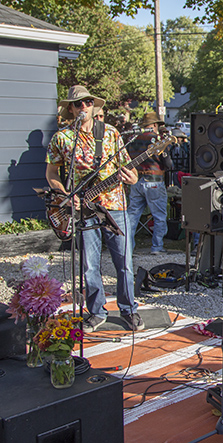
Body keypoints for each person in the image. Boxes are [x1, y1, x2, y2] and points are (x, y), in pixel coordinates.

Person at [46, 85, 142, 332]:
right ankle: (97, 311)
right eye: (78, 104)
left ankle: (129, 309)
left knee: (124, 262)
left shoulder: (110, 133)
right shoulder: (62, 138)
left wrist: (133, 178)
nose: (84, 107)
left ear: (93, 105)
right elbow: (52, 173)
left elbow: (129, 168)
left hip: (116, 206)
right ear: (71, 108)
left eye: (88, 102)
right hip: (84, 209)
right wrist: (65, 196)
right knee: (89, 265)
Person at [127, 112, 173, 255]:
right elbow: (168, 164)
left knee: (132, 216)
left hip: (135, 180)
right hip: (154, 180)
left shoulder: (132, 139)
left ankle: (128, 248)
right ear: (154, 125)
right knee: (159, 216)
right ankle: (157, 247)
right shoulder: (157, 140)